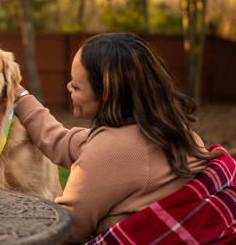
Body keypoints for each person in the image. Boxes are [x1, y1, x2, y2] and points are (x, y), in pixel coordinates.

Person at [13, 32, 222, 245]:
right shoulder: (167, 129)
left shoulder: (110, 151)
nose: (68, 87)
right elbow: (59, 141)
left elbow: (65, 230)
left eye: (76, 86)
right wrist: (20, 96)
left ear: (106, 94)